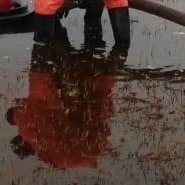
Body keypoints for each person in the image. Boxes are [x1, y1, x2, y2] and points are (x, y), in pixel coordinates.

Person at [6, 30, 120, 168]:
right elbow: (27, 104)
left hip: (93, 148)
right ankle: (60, 39)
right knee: (41, 77)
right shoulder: (26, 129)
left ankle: (109, 65)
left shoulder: (42, 147)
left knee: (97, 96)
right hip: (83, 138)